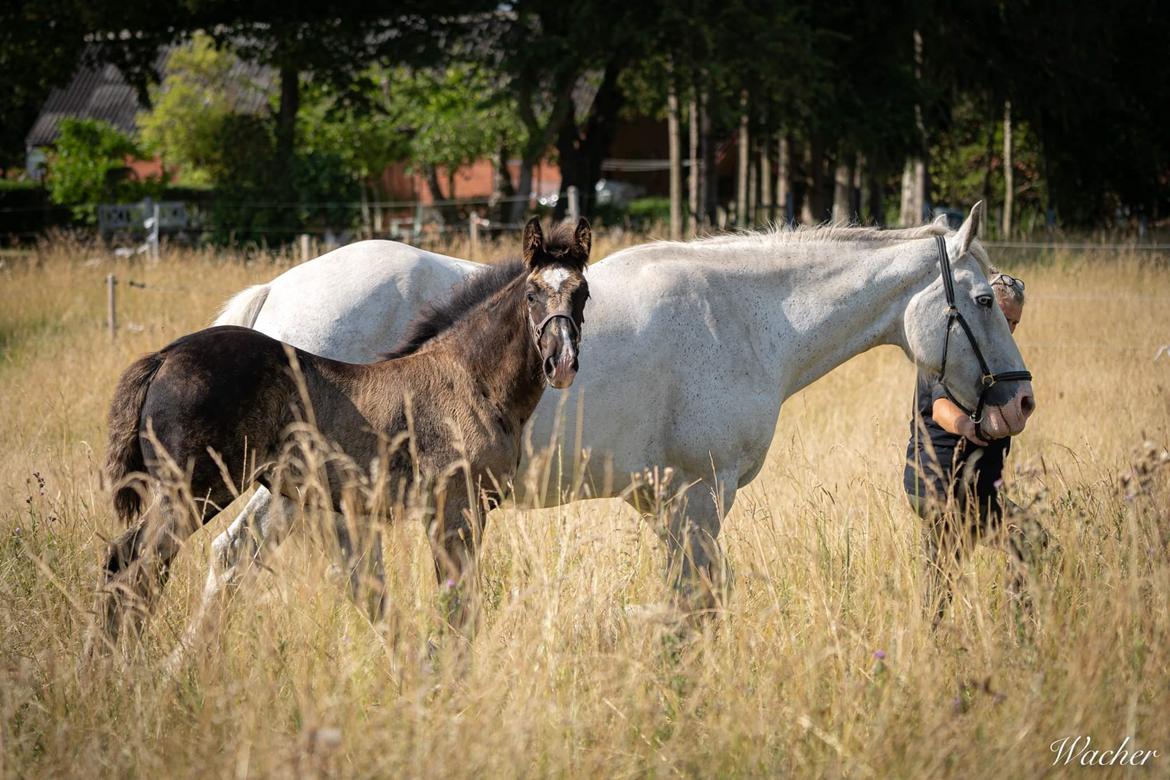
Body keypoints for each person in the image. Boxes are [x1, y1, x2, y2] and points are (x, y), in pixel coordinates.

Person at [904, 270, 1029, 622]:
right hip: (945, 485)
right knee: (1028, 542)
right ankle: (1016, 633)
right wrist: (969, 426)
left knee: (942, 577)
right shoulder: (956, 349)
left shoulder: (988, 353)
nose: (1009, 330)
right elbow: (941, 405)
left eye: (1015, 323)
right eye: (1003, 319)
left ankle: (1012, 631)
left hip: (970, 489)